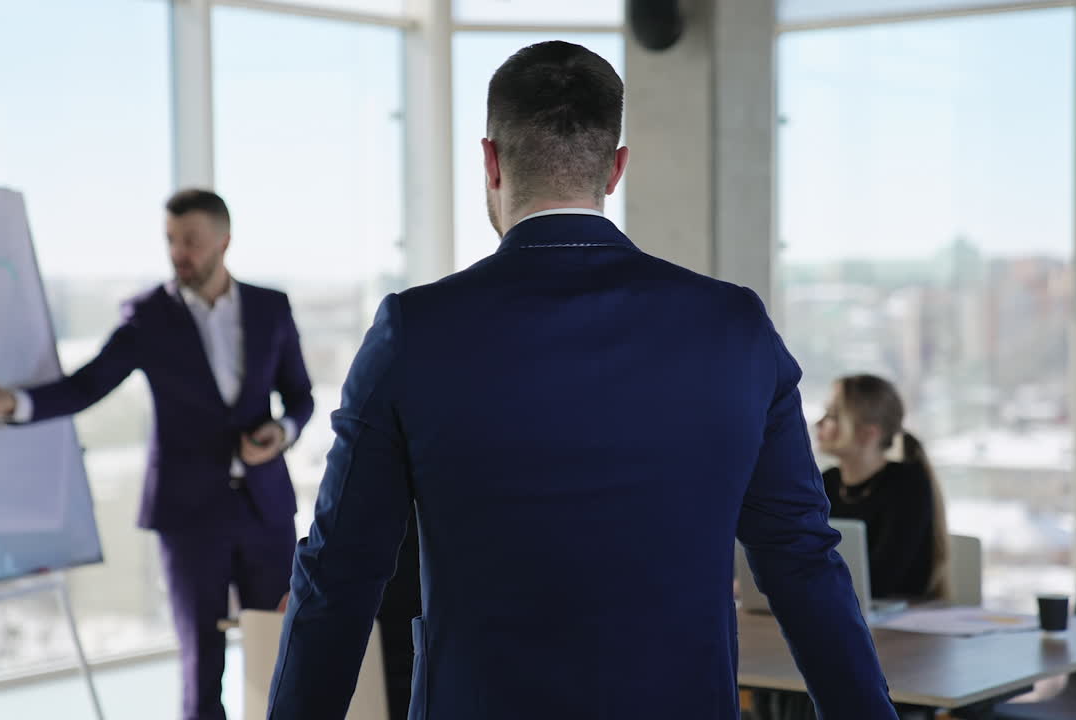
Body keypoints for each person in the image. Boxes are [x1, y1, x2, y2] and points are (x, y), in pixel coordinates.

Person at [267, 41, 896, 719]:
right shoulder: (734, 328)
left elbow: (338, 575)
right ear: (616, 167)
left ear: (490, 160)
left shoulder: (412, 332)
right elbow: (803, 563)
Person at [0, 189, 314, 720]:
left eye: (190, 240)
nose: (178, 253)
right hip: (188, 516)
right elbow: (87, 386)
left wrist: (281, 432)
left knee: (282, 655)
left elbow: (301, 396)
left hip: (266, 511)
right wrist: (16, 403)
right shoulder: (148, 316)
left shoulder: (270, 307)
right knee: (201, 668)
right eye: (171, 240)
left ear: (225, 240)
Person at [816, 374, 949, 600]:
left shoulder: (907, 484)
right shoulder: (827, 481)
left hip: (901, 624)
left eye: (832, 416)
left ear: (868, 433)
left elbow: (879, 581)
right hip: (838, 608)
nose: (819, 424)